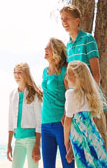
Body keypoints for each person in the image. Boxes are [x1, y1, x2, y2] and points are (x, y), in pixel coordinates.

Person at [63, 61, 107, 168]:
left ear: (76, 77)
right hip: (94, 137)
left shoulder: (70, 94)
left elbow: (68, 122)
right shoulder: (89, 95)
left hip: (79, 139)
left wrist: (66, 142)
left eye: (68, 74)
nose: (66, 77)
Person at [41, 37, 73, 168]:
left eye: (48, 47)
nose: (45, 49)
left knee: (68, 163)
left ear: (56, 52)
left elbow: (70, 95)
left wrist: (66, 114)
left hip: (61, 124)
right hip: (45, 123)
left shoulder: (65, 71)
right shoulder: (44, 72)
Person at [7, 62, 42, 168]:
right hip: (18, 140)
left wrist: (37, 144)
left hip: (32, 139)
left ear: (26, 74)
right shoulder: (12, 94)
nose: (16, 75)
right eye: (15, 73)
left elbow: (39, 120)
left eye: (19, 73)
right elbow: (10, 121)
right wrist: (9, 144)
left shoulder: (34, 93)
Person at [60, 6, 100, 84]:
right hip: (76, 93)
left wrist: (93, 94)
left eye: (67, 18)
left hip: (89, 92)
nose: (64, 21)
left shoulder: (88, 38)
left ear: (77, 21)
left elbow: (96, 74)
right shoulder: (68, 45)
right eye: (62, 19)